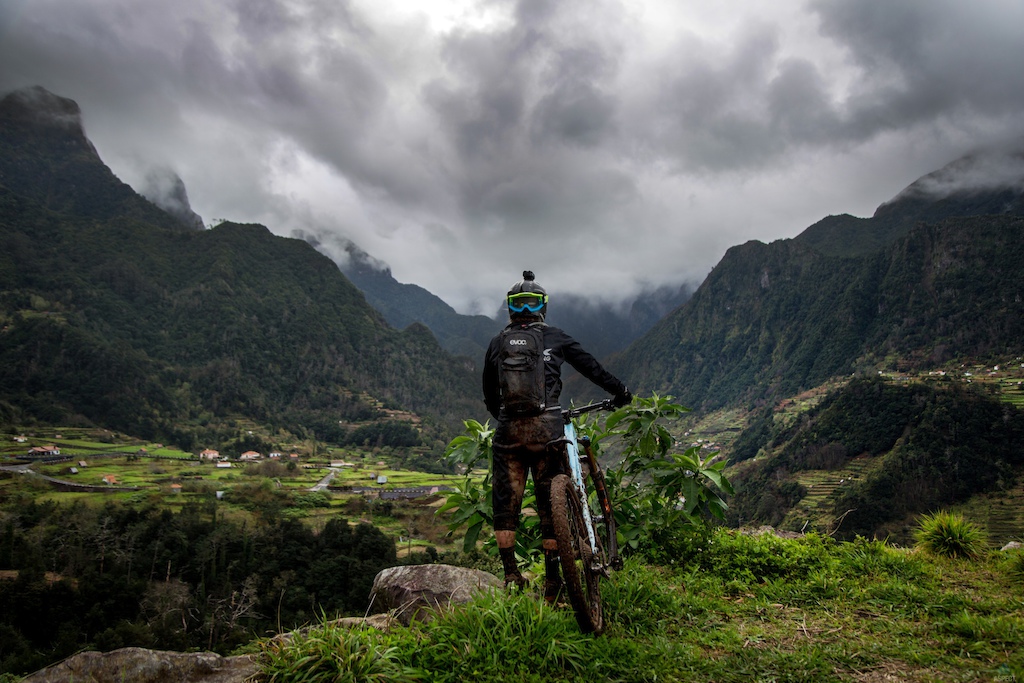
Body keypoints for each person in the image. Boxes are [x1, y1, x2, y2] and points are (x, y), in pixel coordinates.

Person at [482, 270, 632, 601]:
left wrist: (507, 420)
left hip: (508, 430)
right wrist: (620, 391)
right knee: (551, 505)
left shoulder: (497, 343)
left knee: (506, 503)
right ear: (543, 307)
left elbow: (490, 395)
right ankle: (552, 583)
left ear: (510, 309)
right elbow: (592, 368)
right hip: (547, 429)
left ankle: (511, 575)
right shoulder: (555, 337)